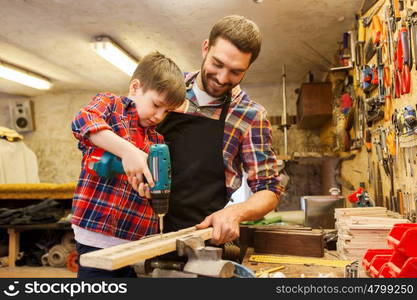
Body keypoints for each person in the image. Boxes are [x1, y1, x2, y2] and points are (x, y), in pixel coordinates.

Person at [154, 15, 284, 246]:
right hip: (136, 232)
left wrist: (236, 212)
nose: (222, 78)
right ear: (206, 48)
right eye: (218, 64)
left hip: (198, 239)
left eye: (236, 71)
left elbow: (268, 189)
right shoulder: (165, 87)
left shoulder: (250, 115)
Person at [70, 51, 186, 278]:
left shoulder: (157, 142)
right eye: (156, 105)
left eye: (167, 112)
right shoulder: (111, 106)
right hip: (96, 235)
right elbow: (82, 120)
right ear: (135, 87)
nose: (160, 117)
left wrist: (149, 192)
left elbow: (153, 187)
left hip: (135, 242)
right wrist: (128, 151)